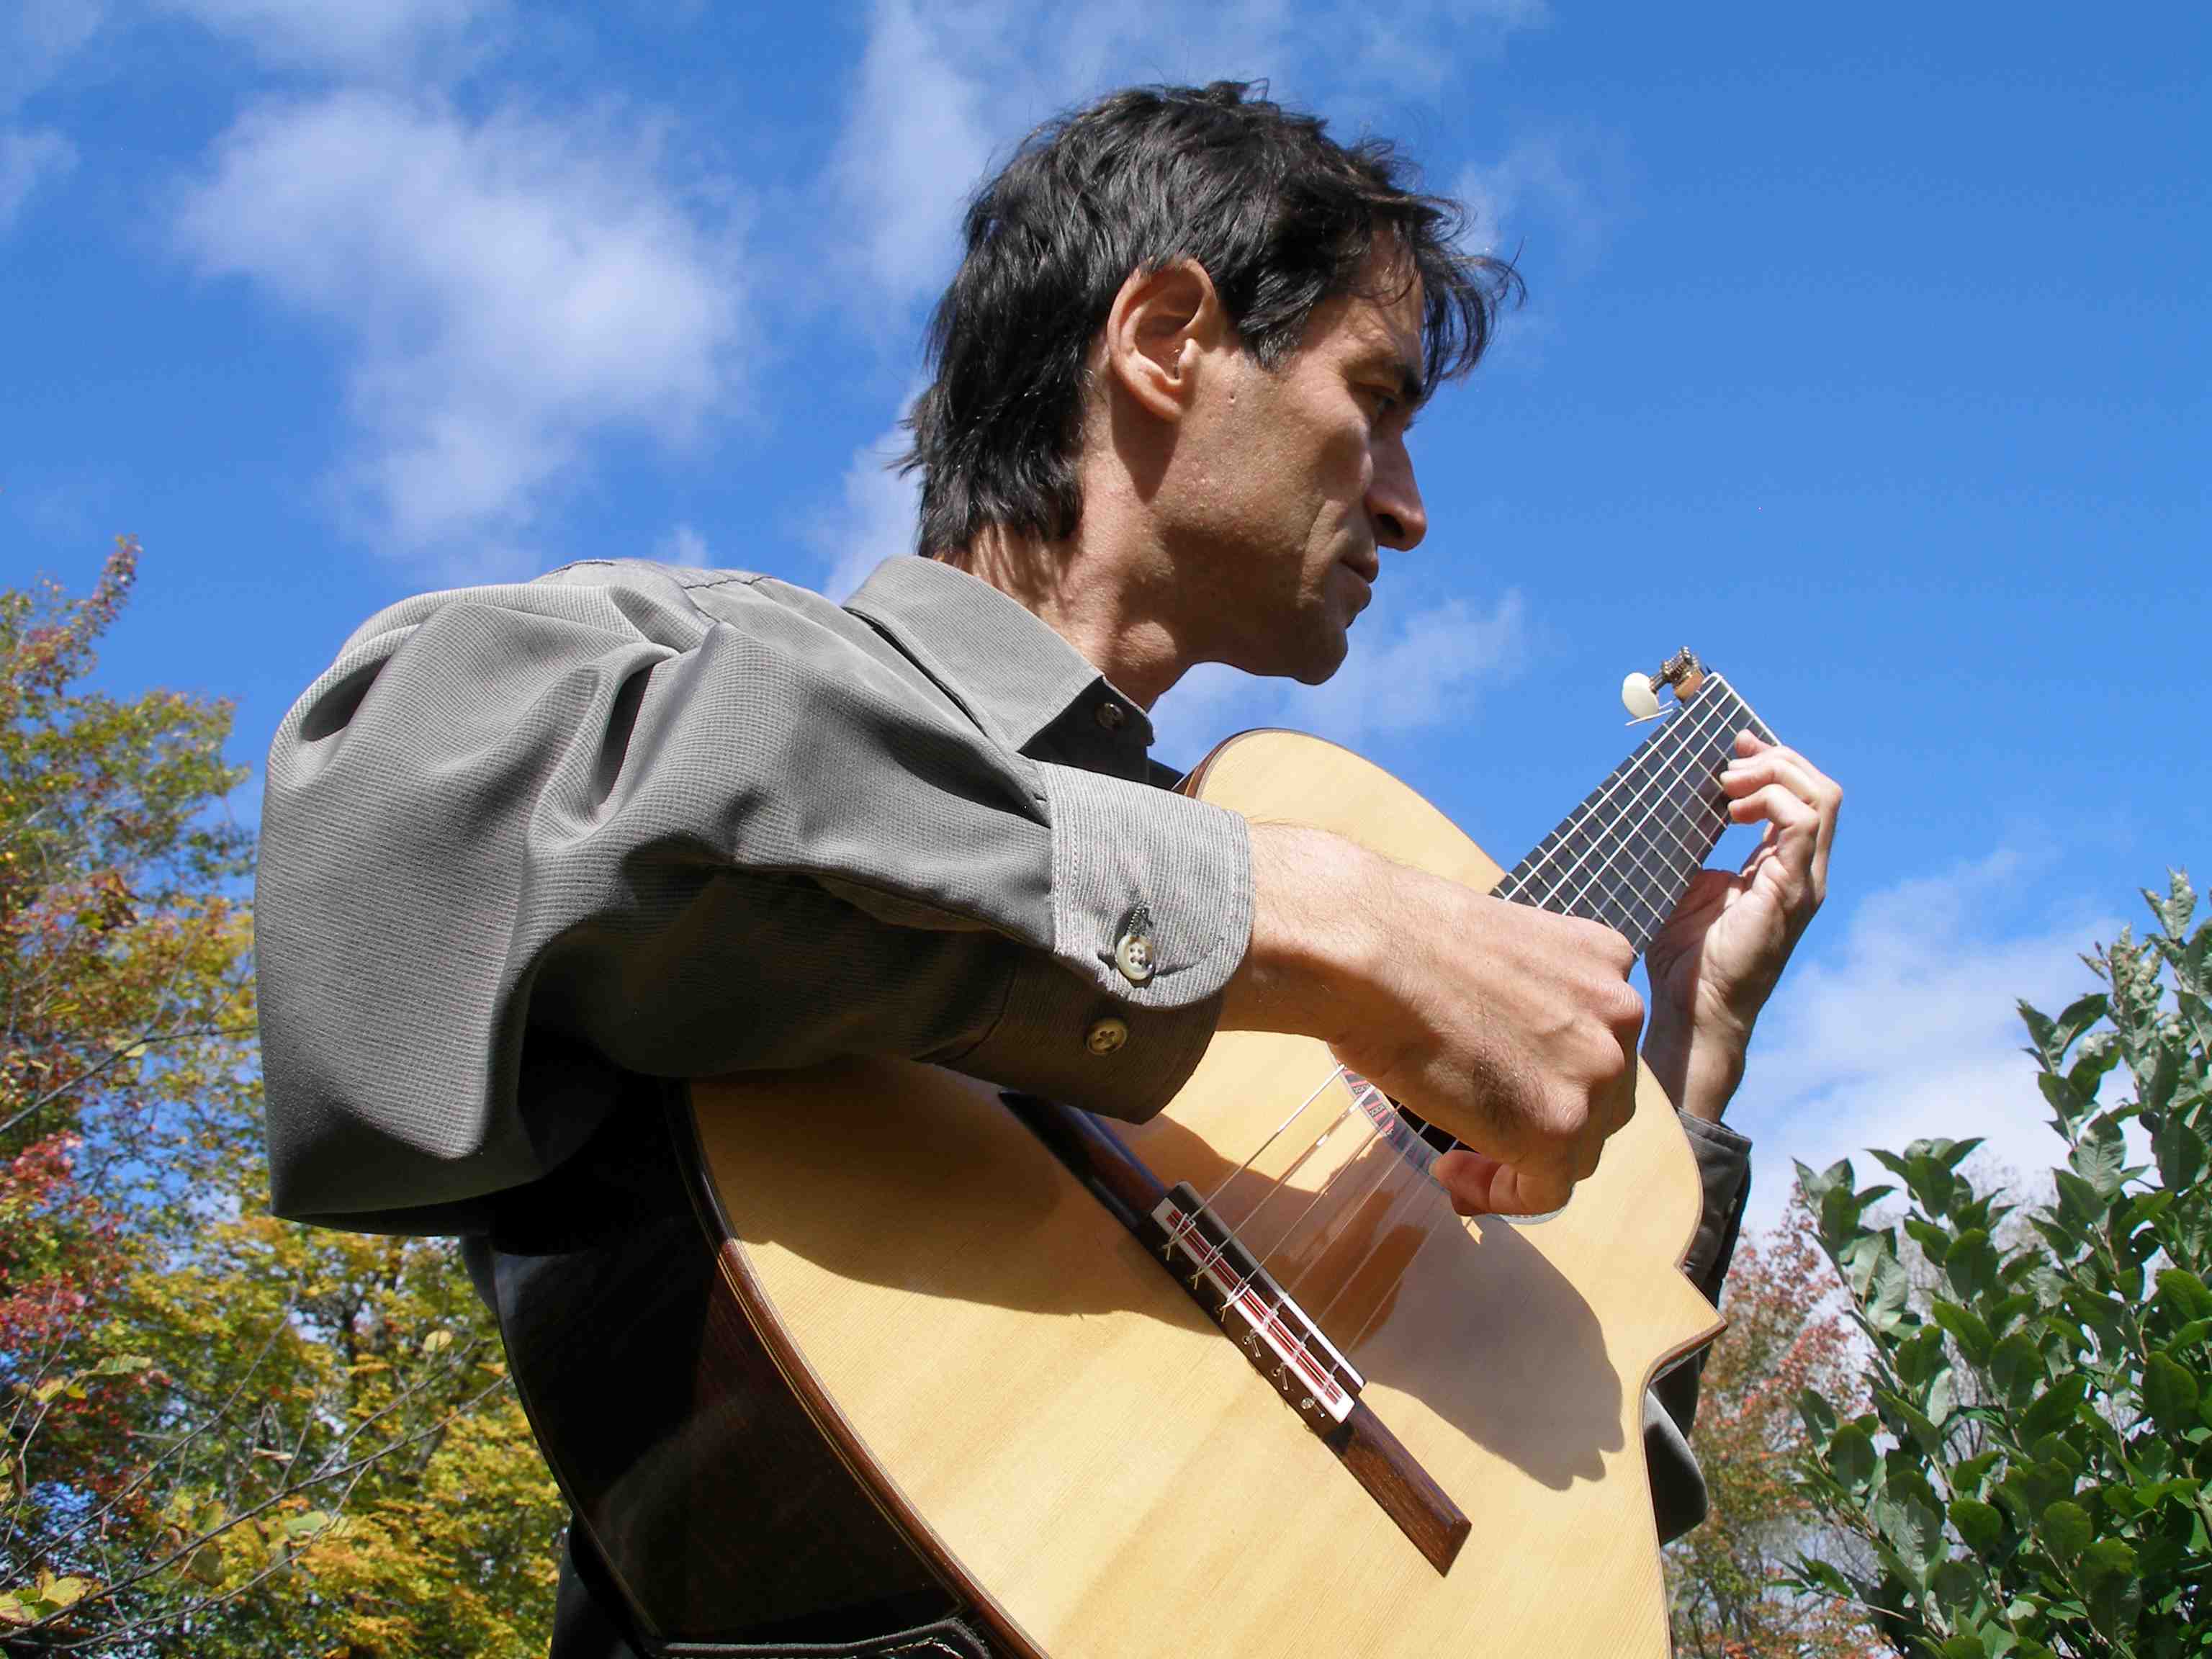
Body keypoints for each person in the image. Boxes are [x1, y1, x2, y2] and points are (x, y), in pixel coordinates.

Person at [255, 82, 1840, 1659]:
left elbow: (1573, 1540)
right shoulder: (722, 658)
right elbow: (393, 804)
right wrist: (1314, 922)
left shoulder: (1255, 952)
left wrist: (1690, 1054)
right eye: (1375, 397)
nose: (1409, 509)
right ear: (1164, 338)